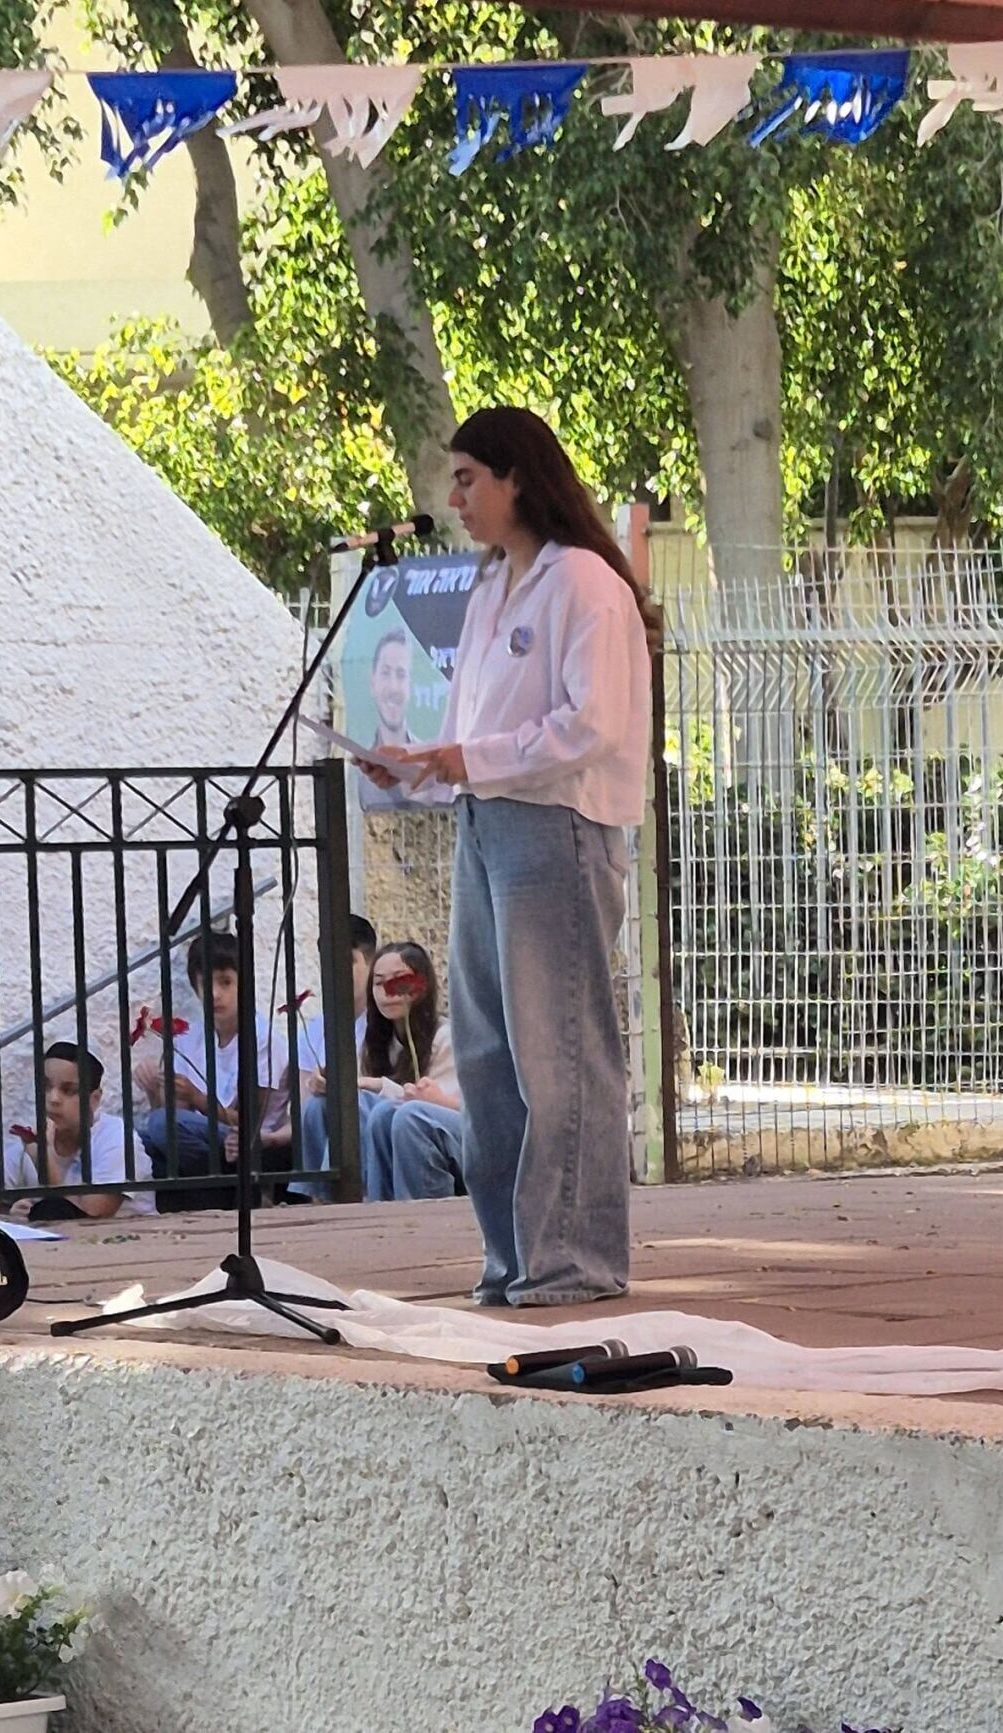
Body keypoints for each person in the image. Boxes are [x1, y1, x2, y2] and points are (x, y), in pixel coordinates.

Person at [358, 408, 656, 1305]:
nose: (453, 499)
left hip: (557, 829)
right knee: (486, 1052)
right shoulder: (492, 584)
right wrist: (418, 764)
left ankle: (574, 1260)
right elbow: (473, 728)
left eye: (467, 479)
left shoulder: (584, 581)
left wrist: (470, 759)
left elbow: (589, 724)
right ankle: (513, 1257)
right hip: (486, 825)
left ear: (517, 478)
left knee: (556, 1048)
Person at [137, 930, 282, 1213]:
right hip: (204, 1139)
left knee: (161, 1126)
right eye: (206, 984)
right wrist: (155, 1091)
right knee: (137, 1139)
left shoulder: (263, 1039)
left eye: (225, 982)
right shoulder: (191, 1038)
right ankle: (208, 1188)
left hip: (248, 1142)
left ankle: (214, 1188)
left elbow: (249, 1122)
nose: (215, 994)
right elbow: (175, 1115)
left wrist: (197, 1097)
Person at [250, 913, 376, 1196]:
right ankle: (319, 1196)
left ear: (371, 963)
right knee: (320, 1106)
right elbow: (304, 1109)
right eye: (328, 962)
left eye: (348, 961)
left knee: (344, 1105)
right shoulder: (314, 1029)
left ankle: (322, 1197)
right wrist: (272, 1137)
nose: (336, 970)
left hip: (370, 1128)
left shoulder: (383, 1022)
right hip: (325, 1130)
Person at [351, 942, 463, 1203]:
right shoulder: (375, 1043)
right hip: (399, 1124)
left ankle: (420, 1209)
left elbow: (436, 1108)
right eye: (379, 983)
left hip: (459, 1139)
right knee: (370, 1110)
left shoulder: (445, 1037)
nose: (388, 991)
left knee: (407, 1115)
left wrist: (380, 1085)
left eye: (400, 980)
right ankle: (368, 1202)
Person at [0, 1042, 155, 1221]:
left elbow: (92, 1215)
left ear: (94, 1099)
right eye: (45, 1086)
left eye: (68, 1090)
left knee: (52, 1209)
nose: (53, 1099)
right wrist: (12, 1214)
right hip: (58, 1237)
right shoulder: (33, 1139)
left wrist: (44, 1156)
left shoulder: (117, 1138)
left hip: (120, 1235)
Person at [359, 628, 419, 813]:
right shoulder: (359, 774)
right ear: (373, 683)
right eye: (385, 673)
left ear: (410, 685)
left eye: (401, 674)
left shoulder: (431, 767)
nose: (393, 687)